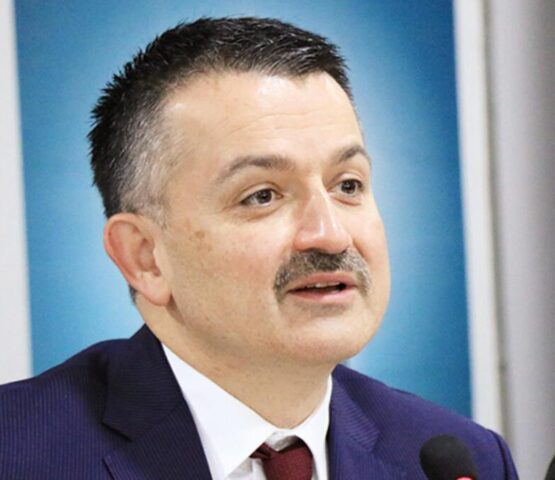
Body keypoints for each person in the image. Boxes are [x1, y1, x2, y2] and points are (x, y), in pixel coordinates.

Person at [0, 17, 517, 479]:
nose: (331, 235)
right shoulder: (17, 454)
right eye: (262, 195)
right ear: (145, 257)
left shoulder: (462, 461)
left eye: (348, 185)